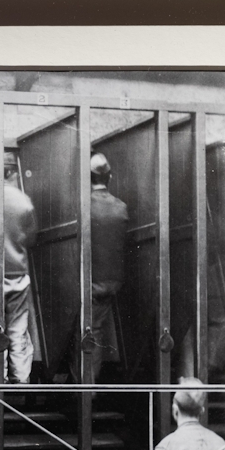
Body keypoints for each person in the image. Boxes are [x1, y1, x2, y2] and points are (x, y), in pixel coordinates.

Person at [0, 152, 39, 384]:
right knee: (18, 327)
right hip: (19, 272)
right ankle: (22, 377)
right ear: (12, 172)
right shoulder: (24, 201)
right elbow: (31, 238)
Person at [87, 151, 128, 382]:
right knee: (95, 330)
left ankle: (85, 390)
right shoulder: (121, 208)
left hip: (91, 282)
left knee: (89, 332)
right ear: (109, 176)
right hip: (112, 282)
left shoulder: (85, 206)